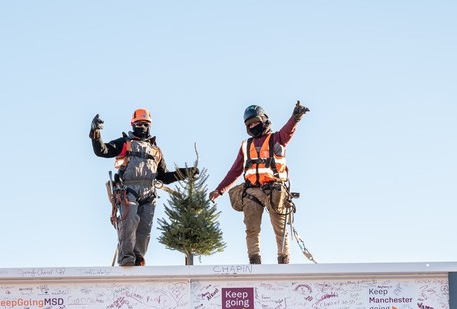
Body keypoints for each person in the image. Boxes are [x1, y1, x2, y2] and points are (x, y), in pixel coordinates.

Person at [90, 109, 197, 266]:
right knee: (128, 222)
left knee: (144, 230)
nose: (142, 127)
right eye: (139, 124)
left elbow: (164, 176)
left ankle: (138, 259)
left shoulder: (156, 150)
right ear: (133, 125)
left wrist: (185, 173)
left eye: (145, 124)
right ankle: (126, 258)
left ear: (150, 126)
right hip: (129, 191)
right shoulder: (125, 143)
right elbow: (102, 150)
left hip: (149, 193)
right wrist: (95, 132)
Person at [209, 101, 309, 264]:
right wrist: (219, 190)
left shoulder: (277, 138)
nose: (253, 126)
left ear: (264, 120)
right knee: (251, 229)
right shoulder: (245, 145)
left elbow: (288, 131)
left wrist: (295, 118)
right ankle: (254, 263)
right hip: (252, 192)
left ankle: (283, 263)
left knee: (280, 229)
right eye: (250, 124)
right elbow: (235, 171)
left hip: (274, 190)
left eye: (256, 122)